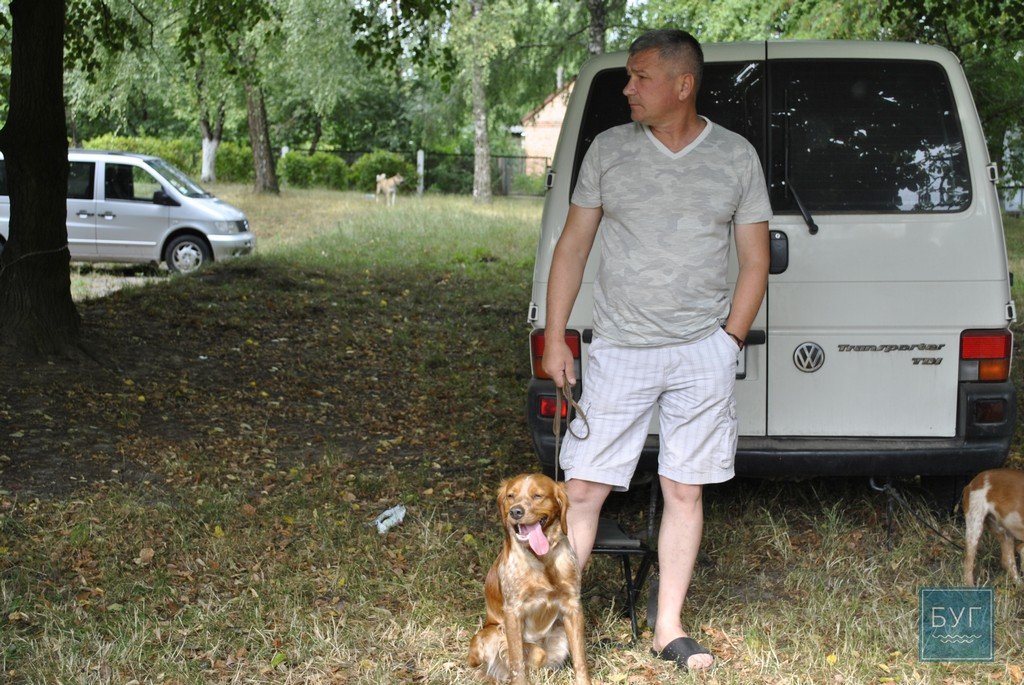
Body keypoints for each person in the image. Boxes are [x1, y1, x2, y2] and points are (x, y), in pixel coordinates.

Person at [541, 28, 772, 671]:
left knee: (684, 489)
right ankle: (557, 627)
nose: (627, 89)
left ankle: (667, 627)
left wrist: (728, 341)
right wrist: (557, 336)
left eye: (640, 77)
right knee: (583, 489)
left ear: (683, 84)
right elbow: (572, 247)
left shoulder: (735, 156)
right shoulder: (609, 150)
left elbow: (755, 260)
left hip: (701, 351)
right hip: (620, 348)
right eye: (628, 76)